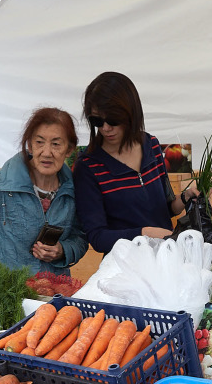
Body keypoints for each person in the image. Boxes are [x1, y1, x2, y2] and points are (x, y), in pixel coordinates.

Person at [0, 108, 88, 276]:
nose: (47, 152)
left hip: (54, 293)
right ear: (29, 145)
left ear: (69, 150)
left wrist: (63, 251)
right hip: (9, 296)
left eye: (56, 144)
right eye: (39, 142)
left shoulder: (73, 190)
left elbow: (80, 237)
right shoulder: (0, 186)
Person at [73, 72, 199, 254]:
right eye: (96, 121)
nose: (105, 128)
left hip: (167, 257)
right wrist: (144, 234)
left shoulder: (152, 146)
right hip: (125, 266)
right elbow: (98, 238)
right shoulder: (89, 167)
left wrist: (185, 198)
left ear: (131, 112)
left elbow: (166, 207)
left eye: (113, 119)